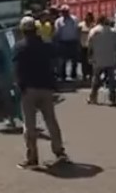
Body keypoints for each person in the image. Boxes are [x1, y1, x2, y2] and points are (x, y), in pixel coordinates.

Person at [13, 16, 68, 168]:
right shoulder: (45, 45)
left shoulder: (20, 47)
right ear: (35, 29)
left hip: (28, 89)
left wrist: (19, 85)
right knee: (51, 121)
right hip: (46, 87)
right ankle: (59, 151)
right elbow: (56, 58)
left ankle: (32, 158)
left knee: (29, 125)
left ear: (23, 31)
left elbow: (17, 68)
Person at [87, 15, 116, 105]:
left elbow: (90, 45)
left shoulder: (94, 31)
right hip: (110, 57)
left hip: (97, 57)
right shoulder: (113, 31)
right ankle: (113, 99)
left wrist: (89, 56)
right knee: (111, 80)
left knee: (96, 78)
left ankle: (93, 97)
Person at [53, 5, 80, 81]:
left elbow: (77, 30)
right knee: (63, 60)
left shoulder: (74, 19)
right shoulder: (58, 21)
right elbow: (57, 32)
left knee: (74, 60)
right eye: (63, 12)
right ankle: (63, 75)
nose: (64, 13)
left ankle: (73, 75)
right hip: (63, 42)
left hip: (73, 41)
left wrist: (78, 41)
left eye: (66, 11)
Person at [80, 12, 95, 82]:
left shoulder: (94, 26)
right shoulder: (81, 25)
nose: (88, 18)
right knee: (84, 62)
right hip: (83, 46)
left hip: (92, 46)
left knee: (91, 62)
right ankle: (84, 75)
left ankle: (91, 75)